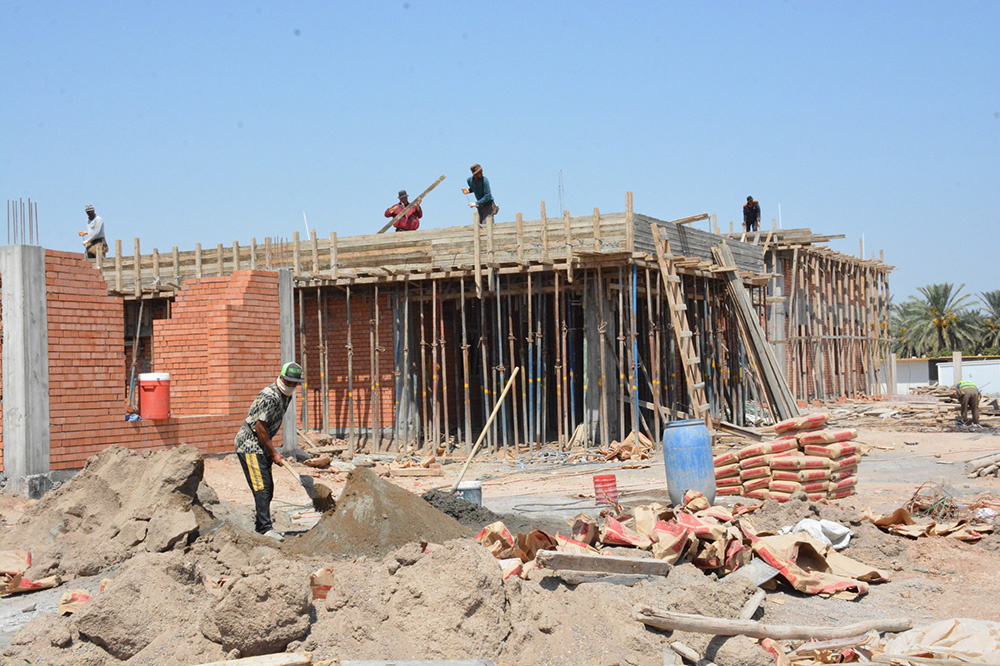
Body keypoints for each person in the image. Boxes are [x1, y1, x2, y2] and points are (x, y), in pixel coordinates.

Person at [234, 362, 304, 540]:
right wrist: (274, 452)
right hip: (250, 445)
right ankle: (265, 529)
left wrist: (271, 450)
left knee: (268, 488)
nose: (291, 386)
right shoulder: (270, 396)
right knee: (261, 487)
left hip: (262, 445)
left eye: (294, 383)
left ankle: (261, 527)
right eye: (288, 382)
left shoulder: (285, 396)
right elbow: (260, 427)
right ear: (281, 378)